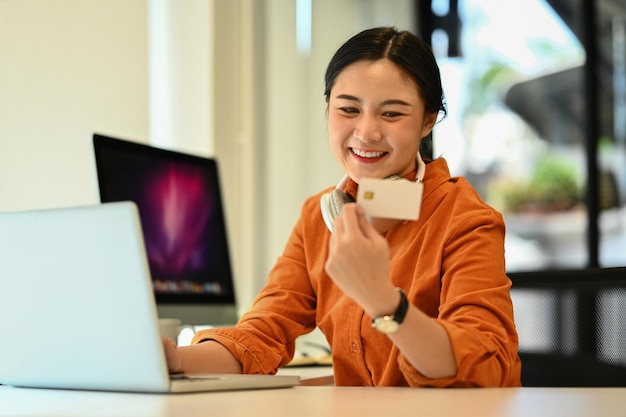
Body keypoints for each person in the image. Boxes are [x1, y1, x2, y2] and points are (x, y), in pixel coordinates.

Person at [163, 26, 522, 387]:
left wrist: (383, 302)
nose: (366, 132)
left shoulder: (466, 219)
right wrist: (176, 359)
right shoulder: (319, 217)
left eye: (392, 114)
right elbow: (262, 333)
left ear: (428, 120)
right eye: (348, 109)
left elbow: (485, 367)